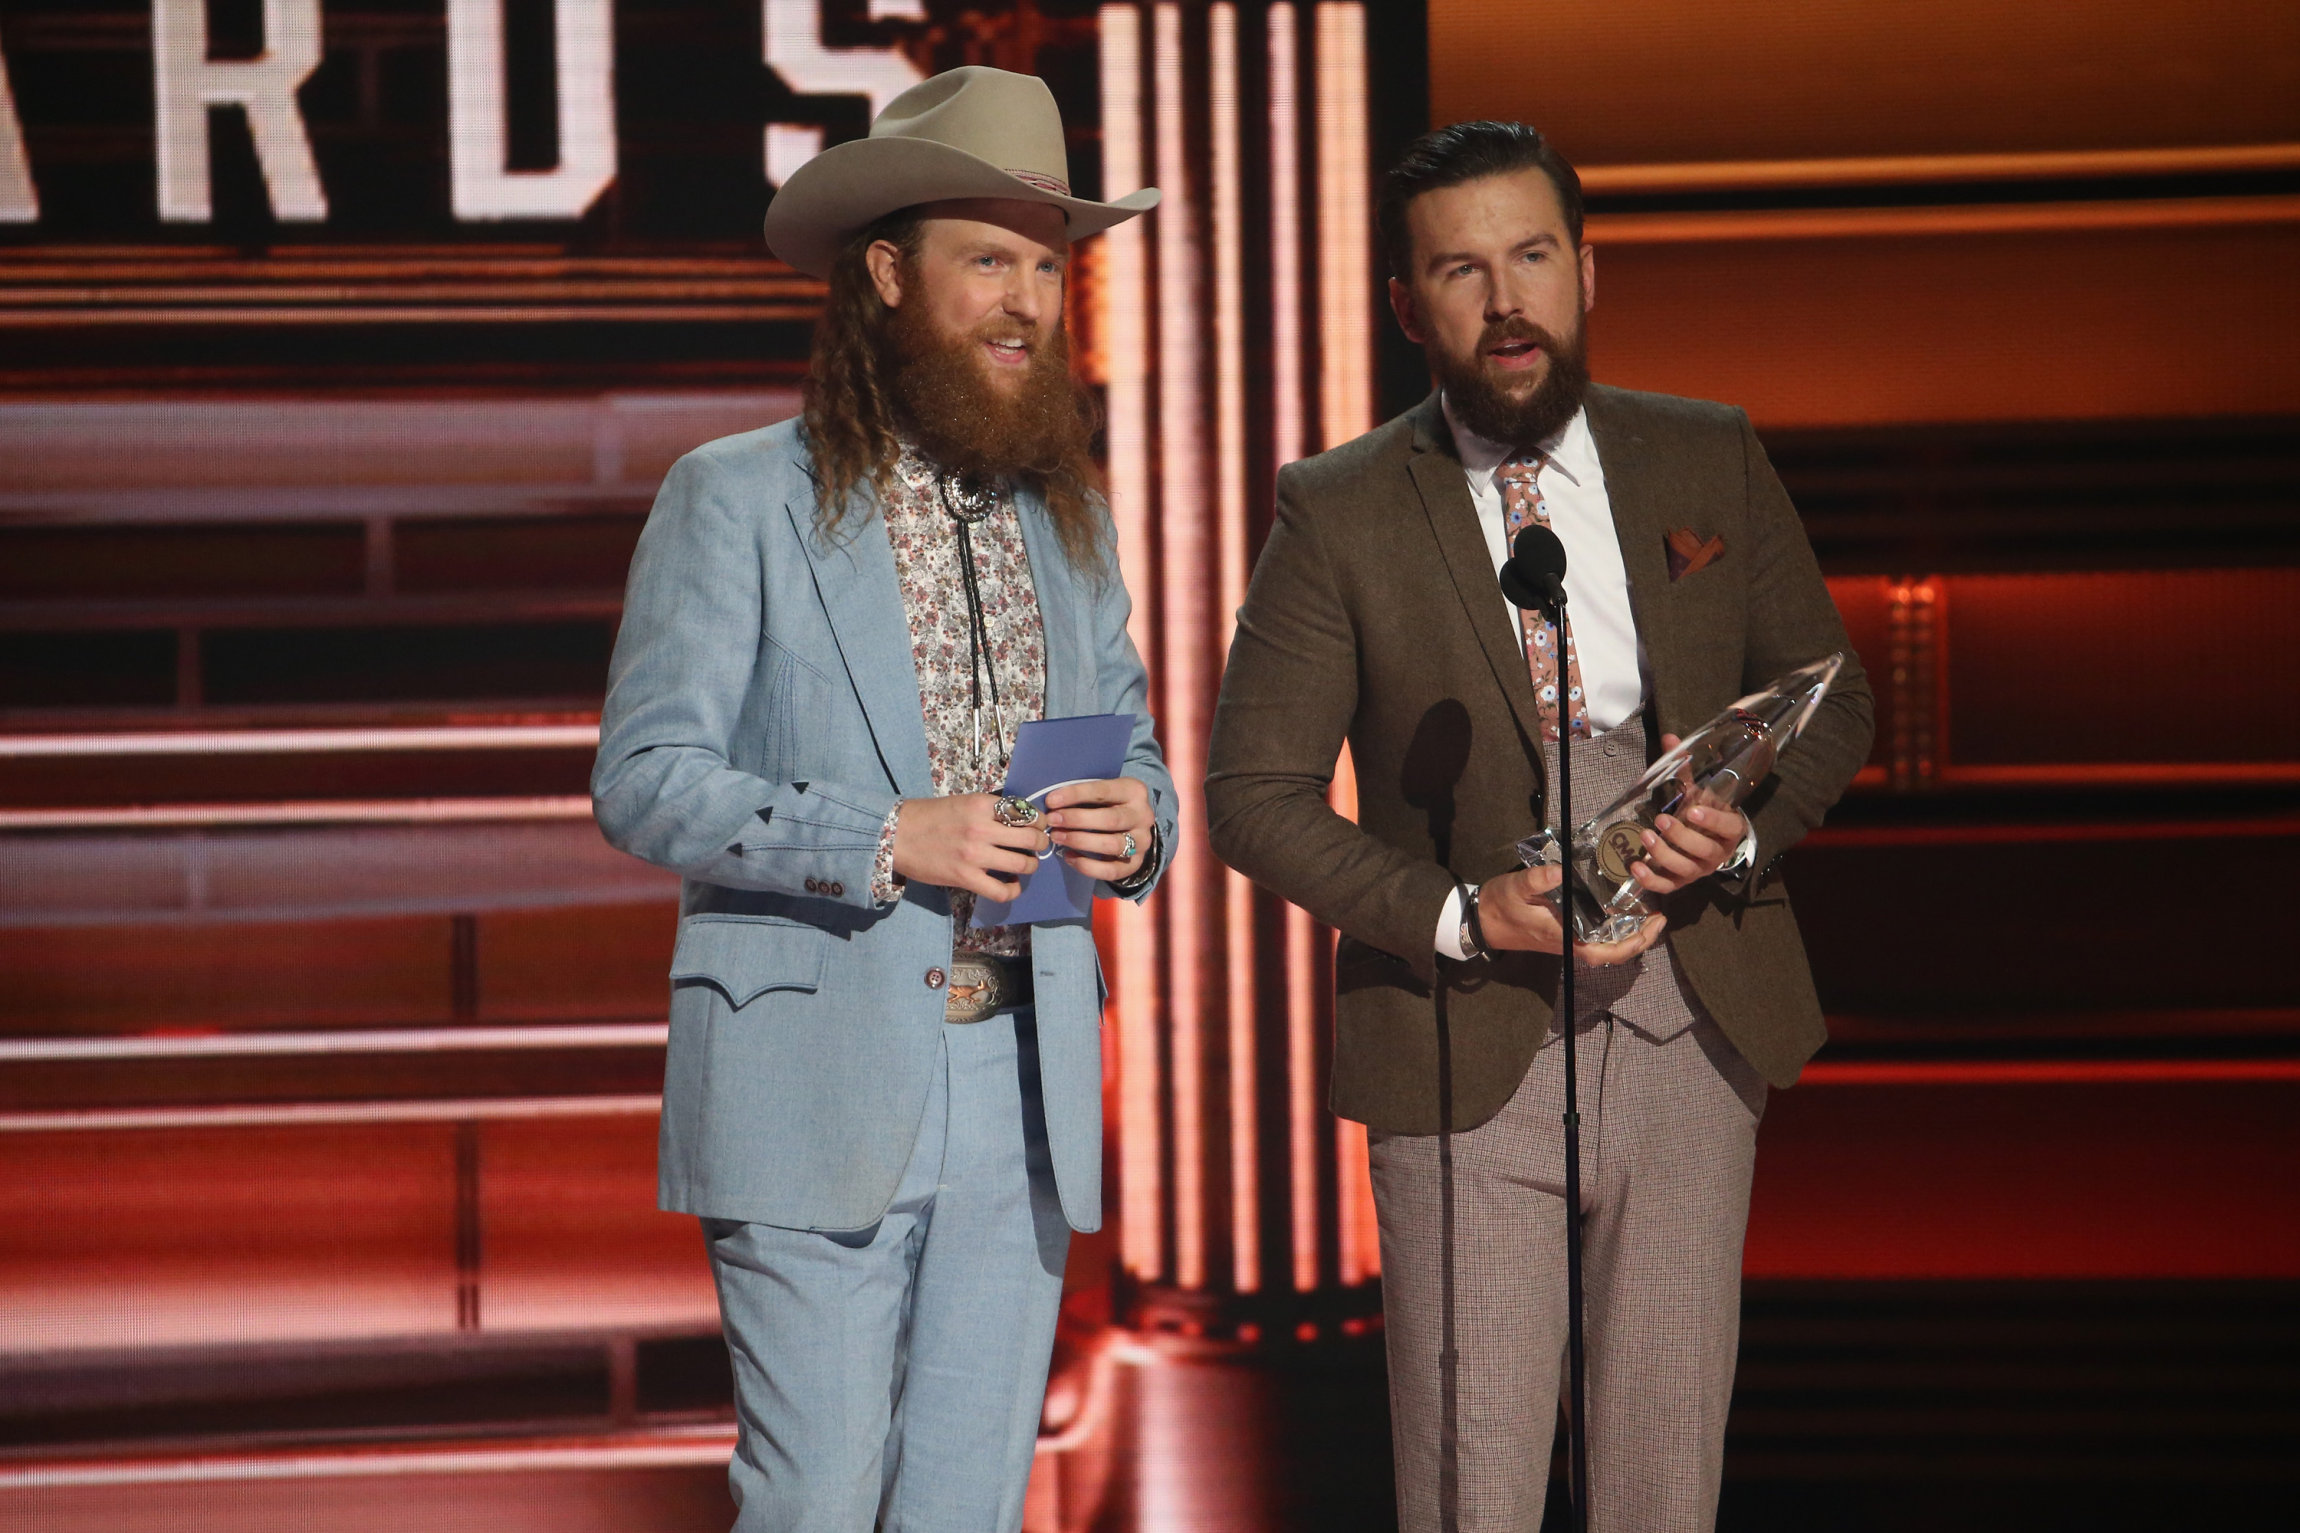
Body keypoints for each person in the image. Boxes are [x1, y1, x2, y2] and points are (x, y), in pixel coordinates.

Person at [1205, 121, 1873, 1530]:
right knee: (1472, 1481)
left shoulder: (1707, 453)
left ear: (1586, 268)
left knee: (1663, 1477)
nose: (1505, 301)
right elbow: (1251, 796)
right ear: (1407, 306)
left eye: (1531, 257)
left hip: (1697, 1027)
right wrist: (1454, 915)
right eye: (1461, 270)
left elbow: (1836, 699)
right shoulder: (1335, 510)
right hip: (1463, 1043)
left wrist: (1738, 837)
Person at [592, 66, 1172, 1532]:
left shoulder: (1070, 516)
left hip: (1024, 1079)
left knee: (968, 1507)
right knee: (817, 1501)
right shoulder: (734, 495)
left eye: (1048, 264)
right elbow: (643, 779)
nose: (1028, 300)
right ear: (887, 274)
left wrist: (1140, 821)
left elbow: (1137, 741)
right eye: (991, 258)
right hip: (814, 1068)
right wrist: (878, 834)